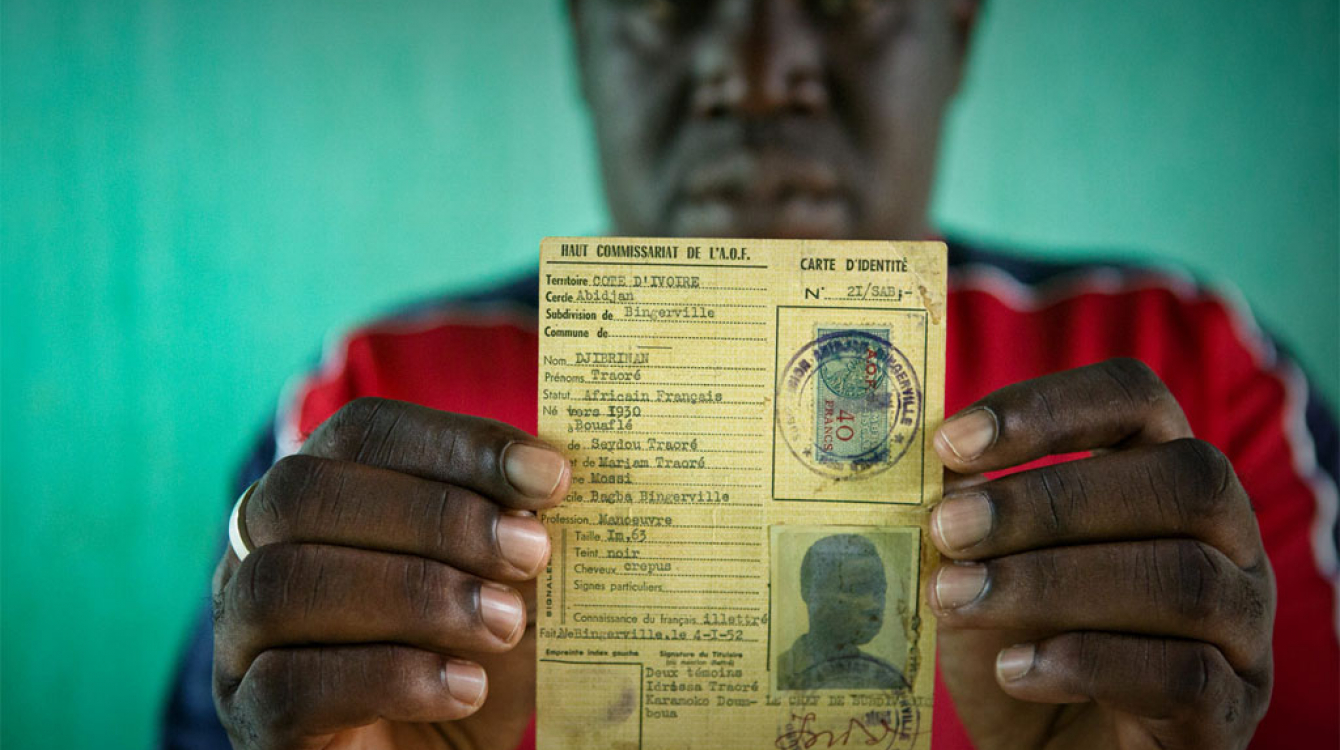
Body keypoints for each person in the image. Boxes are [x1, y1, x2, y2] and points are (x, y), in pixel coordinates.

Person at [162, 1, 1339, 748]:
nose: (759, 68)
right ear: (579, 32)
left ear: (960, 29)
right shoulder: (364, 408)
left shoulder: (1194, 384)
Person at [776, 534, 908, 691]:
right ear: (811, 593)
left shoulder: (889, 680)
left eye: (879, 591)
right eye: (857, 590)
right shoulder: (778, 675)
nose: (874, 605)